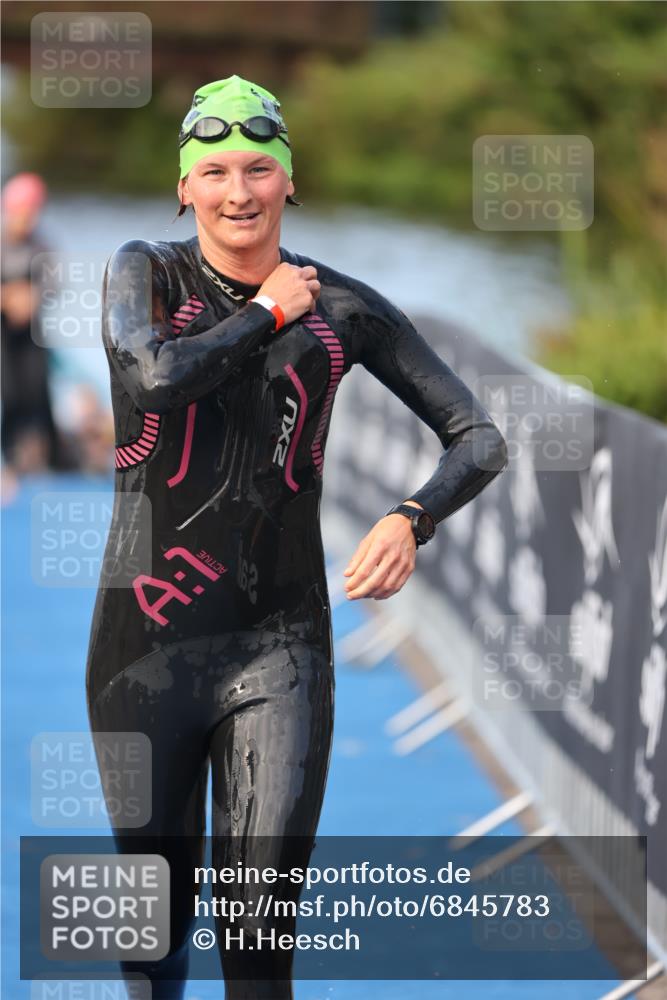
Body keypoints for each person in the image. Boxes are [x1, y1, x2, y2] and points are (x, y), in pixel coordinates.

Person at [85, 75, 507, 999]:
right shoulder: (142, 271)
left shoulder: (343, 309)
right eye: (219, 172)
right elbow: (156, 381)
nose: (239, 192)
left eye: (259, 170)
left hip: (279, 648)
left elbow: (477, 438)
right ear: (185, 187)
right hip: (140, 648)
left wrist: (411, 517)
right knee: (150, 952)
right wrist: (267, 312)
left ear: (289, 182)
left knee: (258, 948)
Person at [1, 172, 74, 485]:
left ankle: (56, 461)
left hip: (32, 328)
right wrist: (9, 298)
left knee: (39, 392)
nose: (25, 222)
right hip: (3, 333)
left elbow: (54, 283)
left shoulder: (41, 244)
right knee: (11, 394)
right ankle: (9, 459)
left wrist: (31, 297)